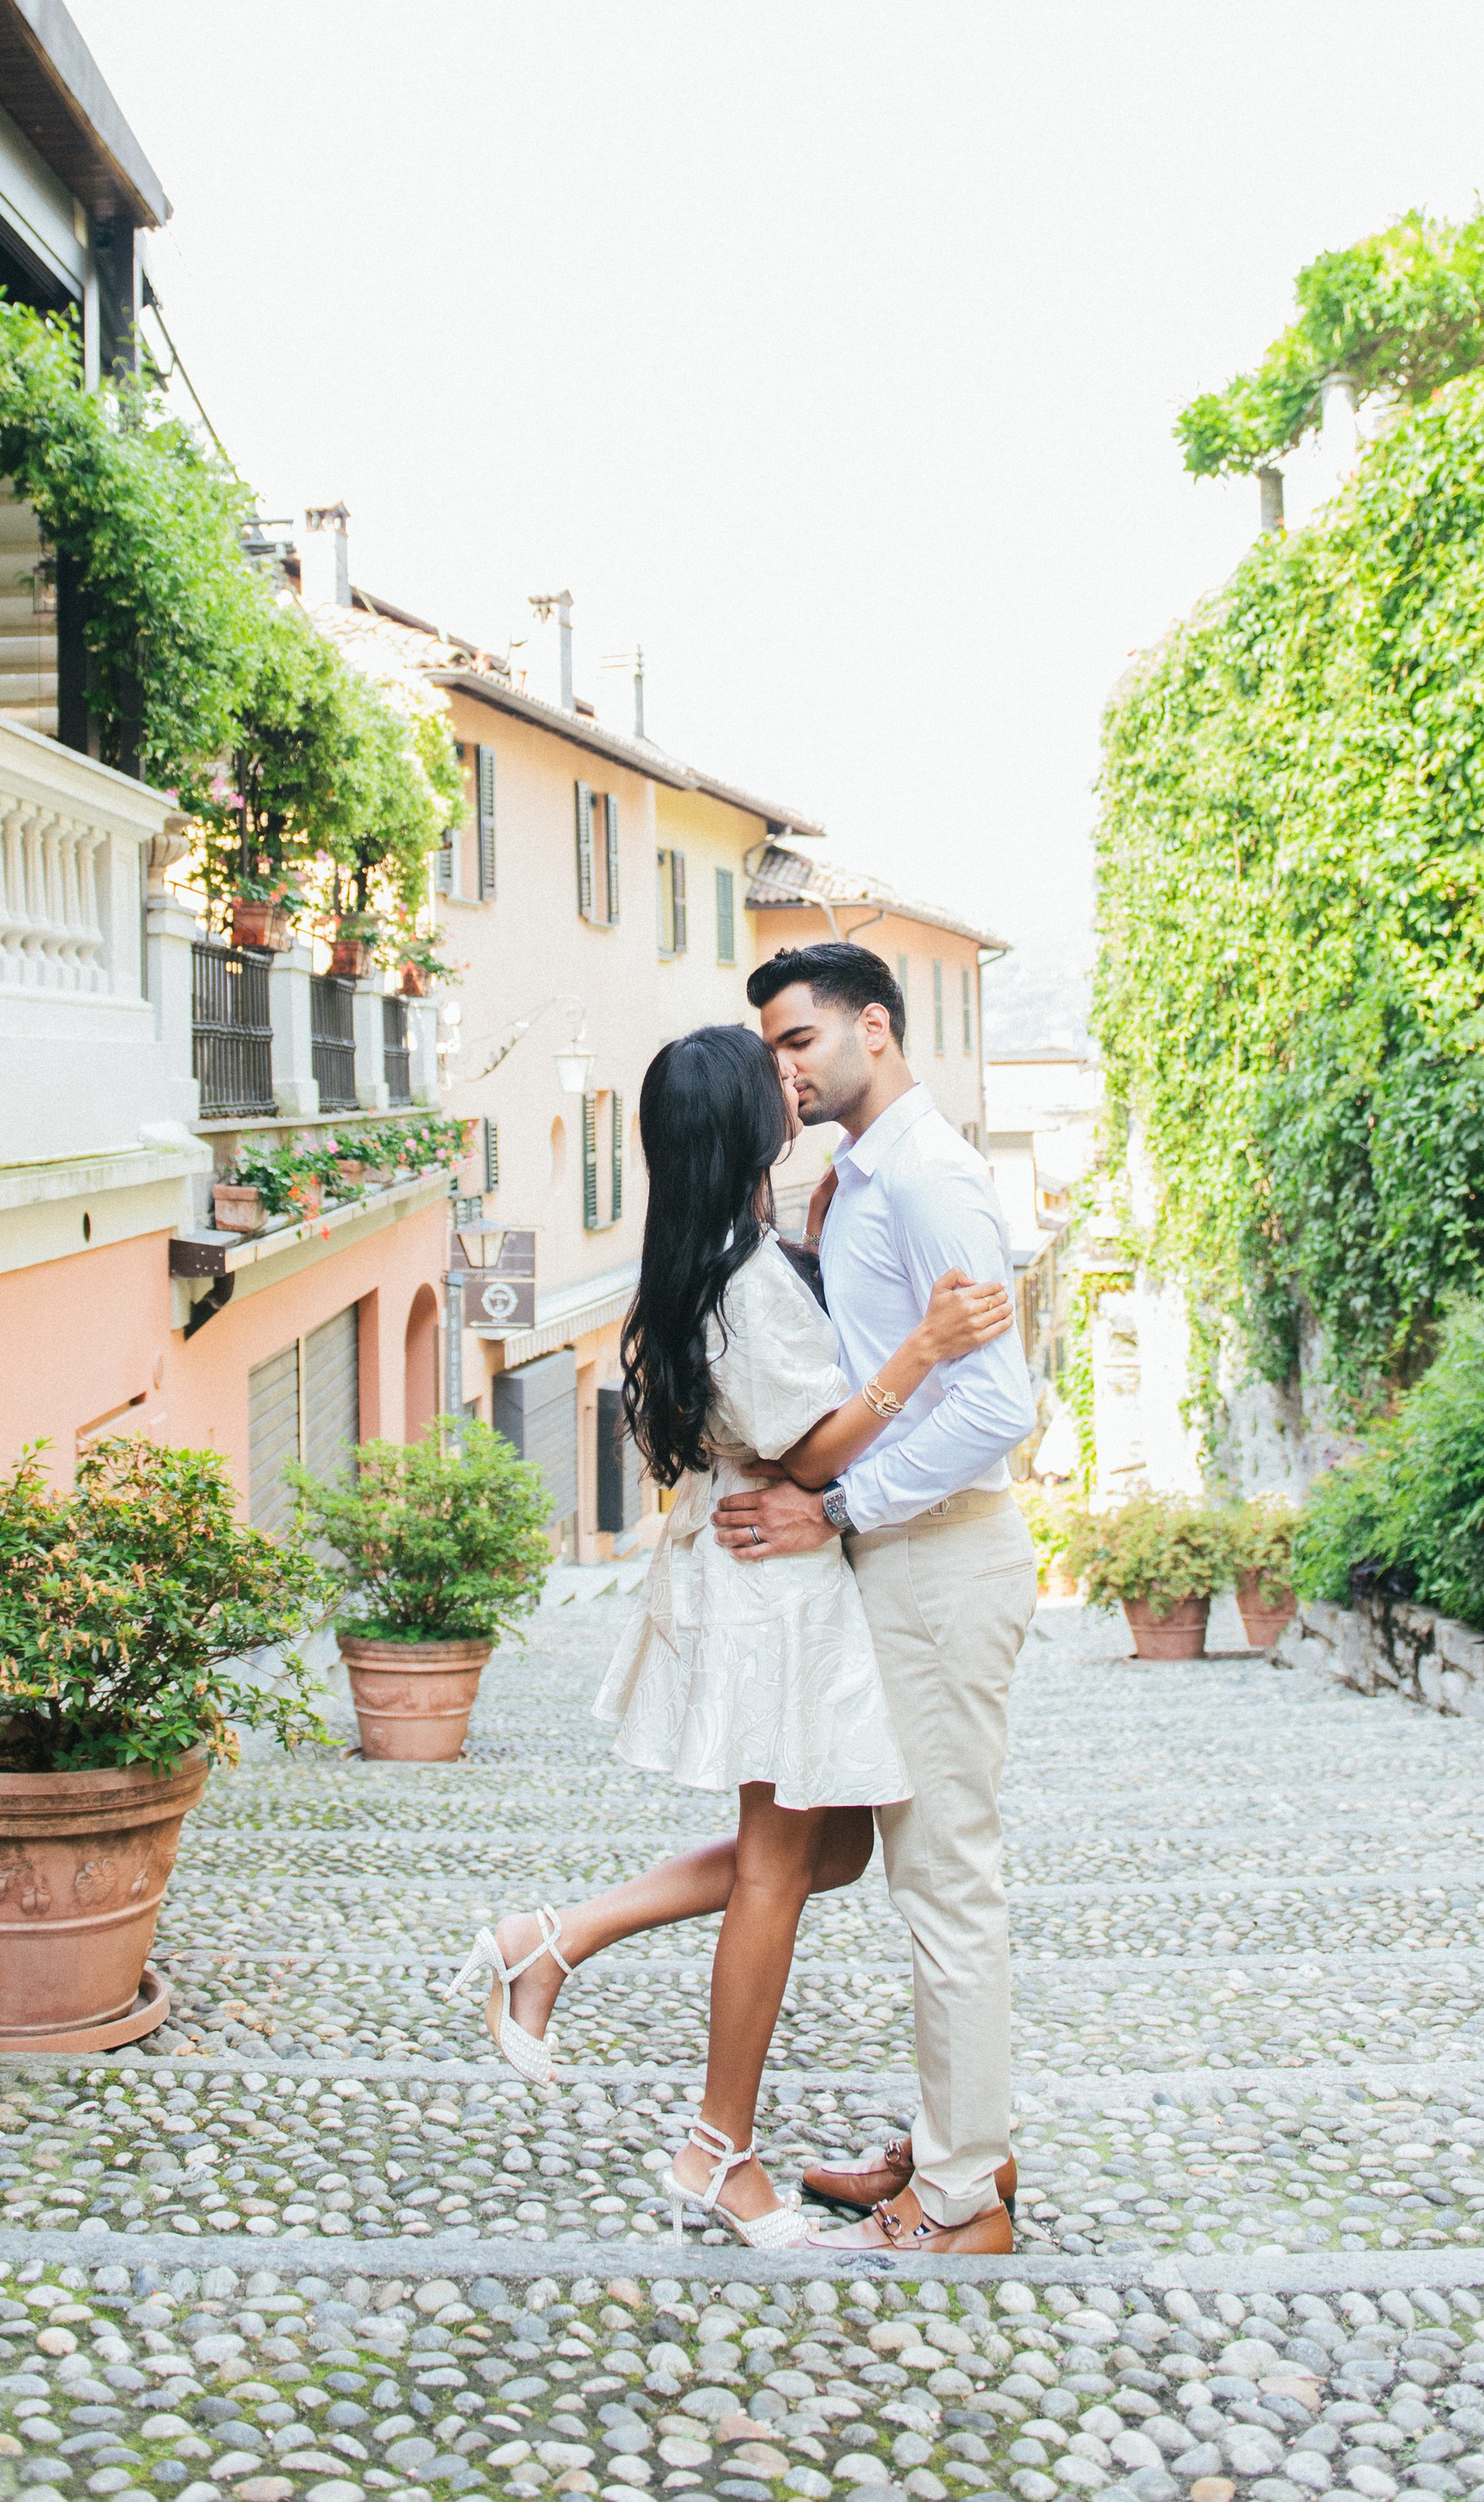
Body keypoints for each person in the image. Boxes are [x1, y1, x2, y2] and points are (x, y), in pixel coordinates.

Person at [447, 1019, 1013, 2249]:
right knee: (776, 1867)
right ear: (745, 1128)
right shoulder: (744, 1279)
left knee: (830, 1851)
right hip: (776, 1591)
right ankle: (718, 2149)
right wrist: (921, 1350)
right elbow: (807, 1455)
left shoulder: (712, 1251)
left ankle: (555, 1940)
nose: (792, 1083)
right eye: (775, 1078)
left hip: (754, 1579)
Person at [725, 939, 1039, 2258]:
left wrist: (841, 1506)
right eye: (772, 1051)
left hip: (941, 1559)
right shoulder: (854, 1181)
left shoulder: (929, 1178)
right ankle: (961, 2142)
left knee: (945, 1880)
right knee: (922, 1872)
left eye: (799, 1041)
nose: (784, 1071)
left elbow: (998, 1404)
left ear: (876, 1028)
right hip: (900, 1564)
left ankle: (963, 2204)